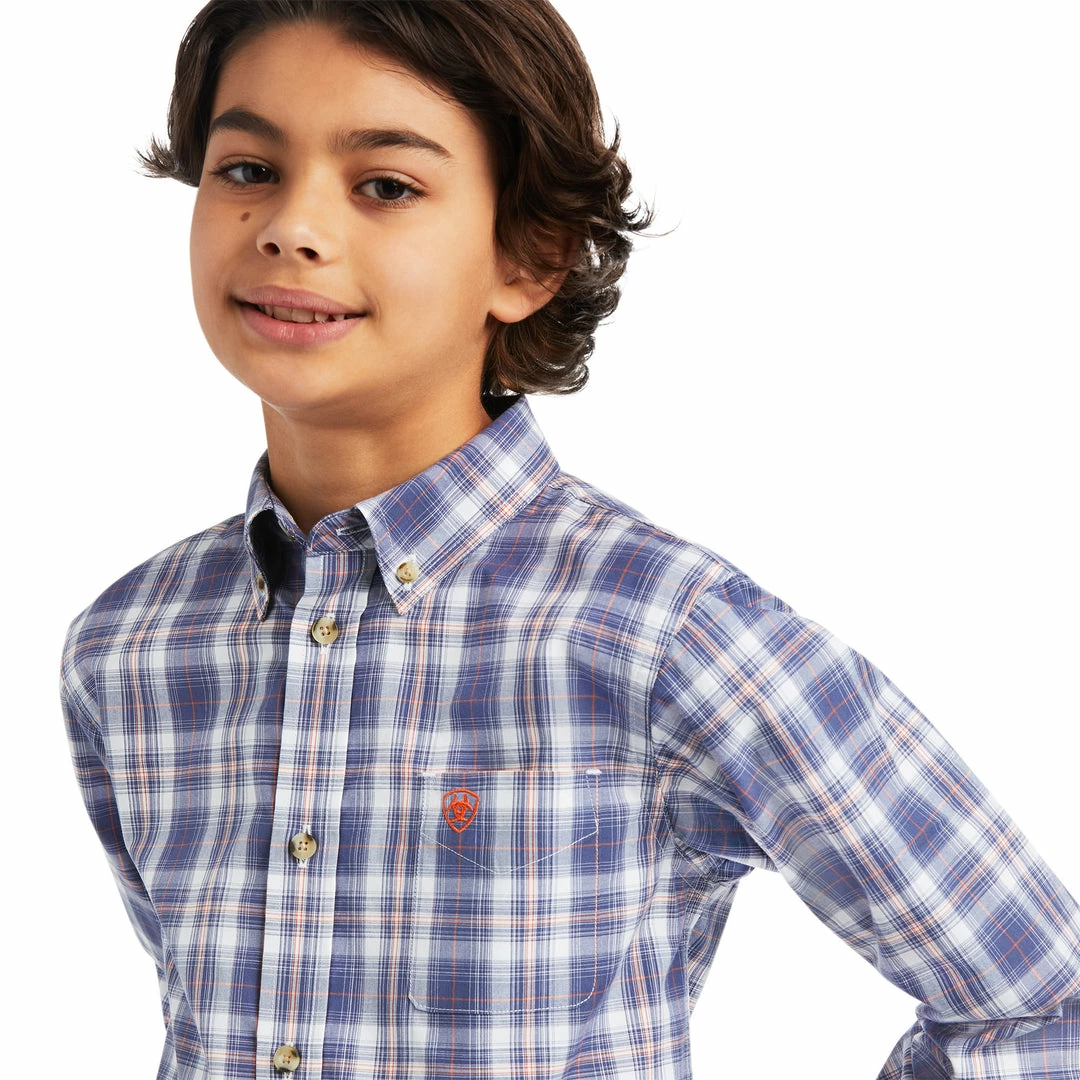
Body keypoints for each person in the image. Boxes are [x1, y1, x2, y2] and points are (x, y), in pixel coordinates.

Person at [59, 2, 1080, 1078]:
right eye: (248, 169)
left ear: (530, 256)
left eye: (387, 185)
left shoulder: (666, 632)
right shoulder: (130, 647)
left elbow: (1042, 1002)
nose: (290, 226)